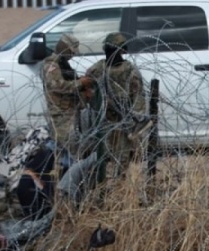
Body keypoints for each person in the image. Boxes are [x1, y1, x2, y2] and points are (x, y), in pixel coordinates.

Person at [85, 32, 146, 178]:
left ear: (122, 51)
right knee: (100, 156)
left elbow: (138, 97)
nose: (110, 53)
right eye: (109, 49)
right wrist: (101, 102)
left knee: (123, 156)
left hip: (122, 120)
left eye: (114, 49)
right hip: (103, 120)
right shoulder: (97, 69)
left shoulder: (129, 70)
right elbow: (87, 92)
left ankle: (120, 185)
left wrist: (134, 119)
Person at [41, 34, 92, 167]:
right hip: (61, 115)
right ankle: (68, 181)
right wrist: (80, 83)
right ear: (65, 48)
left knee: (69, 148)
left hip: (70, 112)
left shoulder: (63, 65)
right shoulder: (52, 64)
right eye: (71, 52)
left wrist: (82, 86)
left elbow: (69, 83)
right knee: (72, 150)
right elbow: (57, 85)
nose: (72, 55)